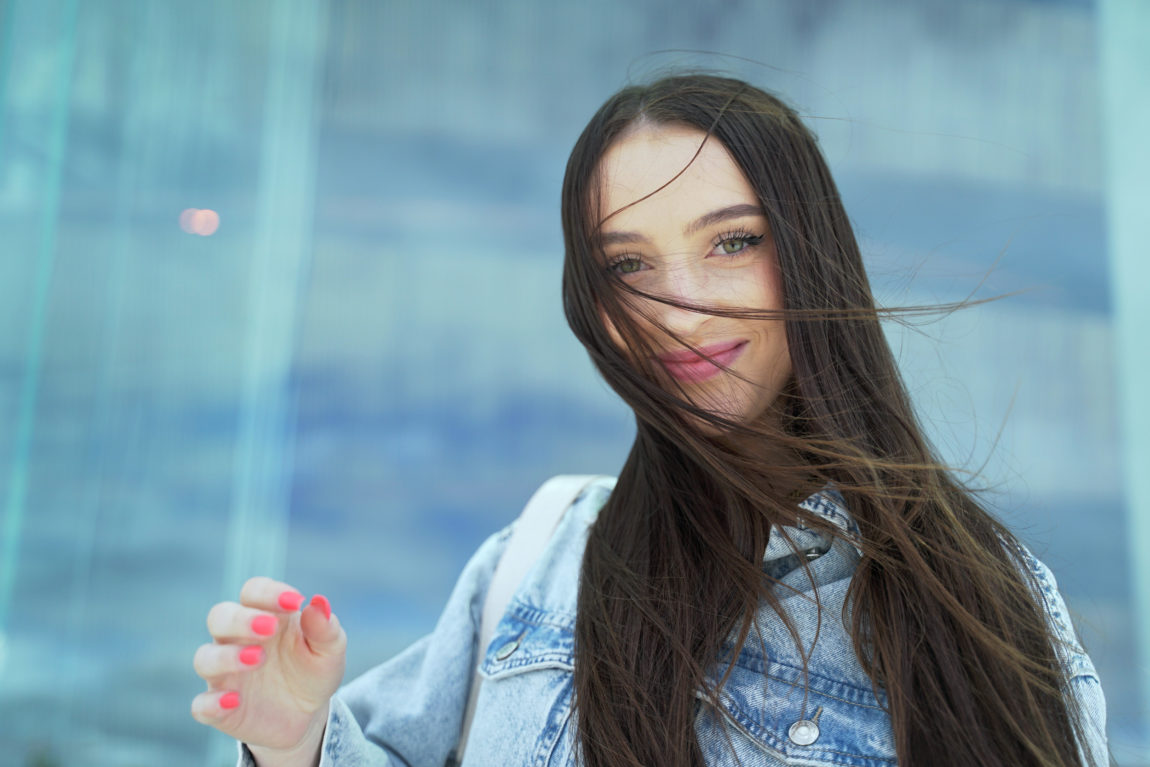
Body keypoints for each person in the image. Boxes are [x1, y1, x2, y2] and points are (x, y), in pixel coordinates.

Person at [191, 74, 1109, 767]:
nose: (680, 307)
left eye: (733, 242)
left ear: (811, 253)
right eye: (628, 266)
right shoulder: (540, 556)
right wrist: (296, 738)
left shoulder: (982, 601)